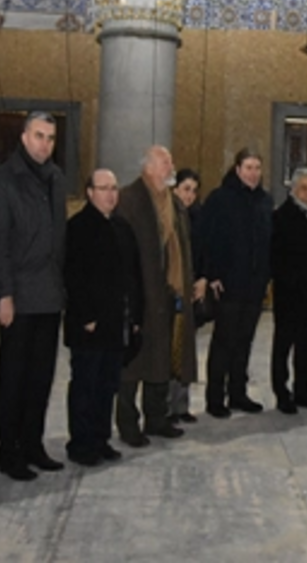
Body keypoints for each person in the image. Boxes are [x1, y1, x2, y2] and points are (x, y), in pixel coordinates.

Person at [0, 111, 68, 481]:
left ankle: (33, 444)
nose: (44, 144)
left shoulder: (56, 179)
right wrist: (4, 294)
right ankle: (10, 452)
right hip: (19, 296)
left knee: (41, 377)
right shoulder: (4, 181)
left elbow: (60, 242)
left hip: (50, 296)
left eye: (50, 138)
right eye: (38, 136)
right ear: (24, 138)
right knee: (14, 379)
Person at [115, 147, 198, 440]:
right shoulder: (129, 199)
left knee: (161, 361)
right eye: (166, 161)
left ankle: (156, 418)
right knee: (134, 364)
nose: (171, 166)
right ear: (149, 167)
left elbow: (183, 247)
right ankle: (127, 424)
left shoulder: (174, 204)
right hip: (142, 294)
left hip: (169, 294)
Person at [63, 169, 143, 466]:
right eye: (104, 188)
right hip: (90, 324)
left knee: (107, 384)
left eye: (114, 188)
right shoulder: (78, 227)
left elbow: (133, 276)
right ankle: (81, 443)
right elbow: (73, 276)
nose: (111, 194)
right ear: (89, 192)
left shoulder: (122, 227)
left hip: (116, 323)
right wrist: (87, 316)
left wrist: (136, 316)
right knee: (85, 384)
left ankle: (100, 438)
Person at [200, 148, 273, 417]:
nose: (253, 173)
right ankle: (215, 397)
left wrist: (266, 277)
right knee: (224, 342)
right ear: (237, 169)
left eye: (257, 168)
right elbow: (207, 238)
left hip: (254, 285)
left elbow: (267, 243)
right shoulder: (220, 199)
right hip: (228, 283)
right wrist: (213, 273)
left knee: (245, 341)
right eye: (248, 167)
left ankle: (238, 393)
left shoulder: (265, 201)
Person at [270, 168, 307, 414]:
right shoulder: (282, 216)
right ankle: (282, 393)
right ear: (293, 190)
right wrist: (291, 281)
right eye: (304, 188)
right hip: (289, 294)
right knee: (284, 345)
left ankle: (302, 390)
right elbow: (276, 258)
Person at [169, 168, 205, 424]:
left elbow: (204, 253)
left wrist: (202, 278)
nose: (190, 195)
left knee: (185, 352)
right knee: (169, 352)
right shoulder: (167, 217)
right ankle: (166, 407)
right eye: (185, 189)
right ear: (174, 189)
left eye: (194, 190)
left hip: (191, 293)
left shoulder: (198, 218)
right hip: (172, 293)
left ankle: (181, 405)